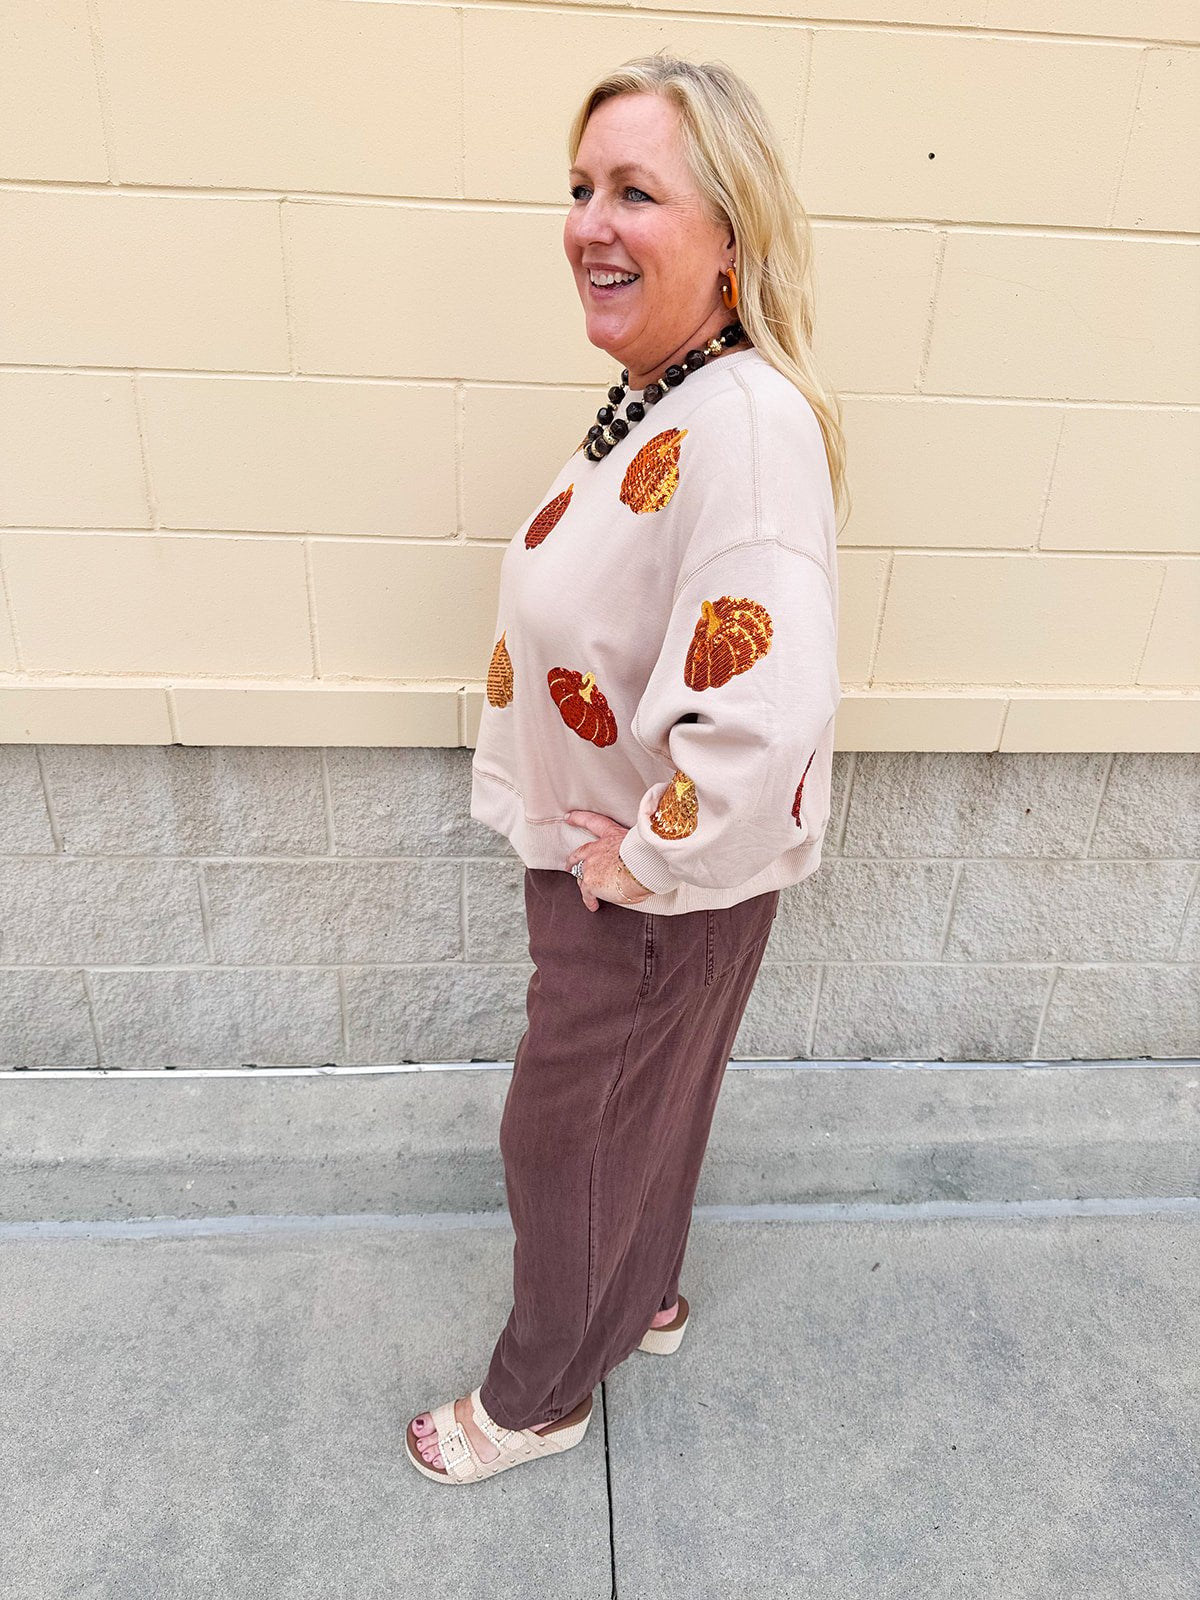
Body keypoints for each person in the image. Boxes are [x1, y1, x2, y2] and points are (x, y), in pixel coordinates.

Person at [406, 50, 848, 1486]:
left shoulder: (744, 425)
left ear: (730, 236)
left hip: (644, 883)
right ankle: (641, 1292)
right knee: (653, 1103)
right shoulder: (668, 395)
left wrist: (650, 858)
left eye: (636, 192)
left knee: (559, 1139)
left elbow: (767, 701)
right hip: (637, 865)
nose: (590, 222)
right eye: (582, 186)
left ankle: (539, 1396)